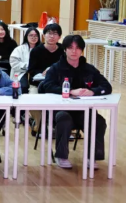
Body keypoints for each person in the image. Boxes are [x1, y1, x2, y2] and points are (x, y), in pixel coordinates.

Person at [40, 35, 112, 170]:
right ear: (65, 49)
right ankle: (61, 156)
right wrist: (70, 91)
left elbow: (106, 86)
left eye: (78, 48)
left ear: (82, 50)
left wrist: (93, 91)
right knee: (64, 118)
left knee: (98, 121)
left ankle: (92, 156)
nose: (74, 51)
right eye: (70, 48)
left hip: (83, 111)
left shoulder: (89, 69)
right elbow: (47, 86)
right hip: (60, 110)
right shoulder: (55, 68)